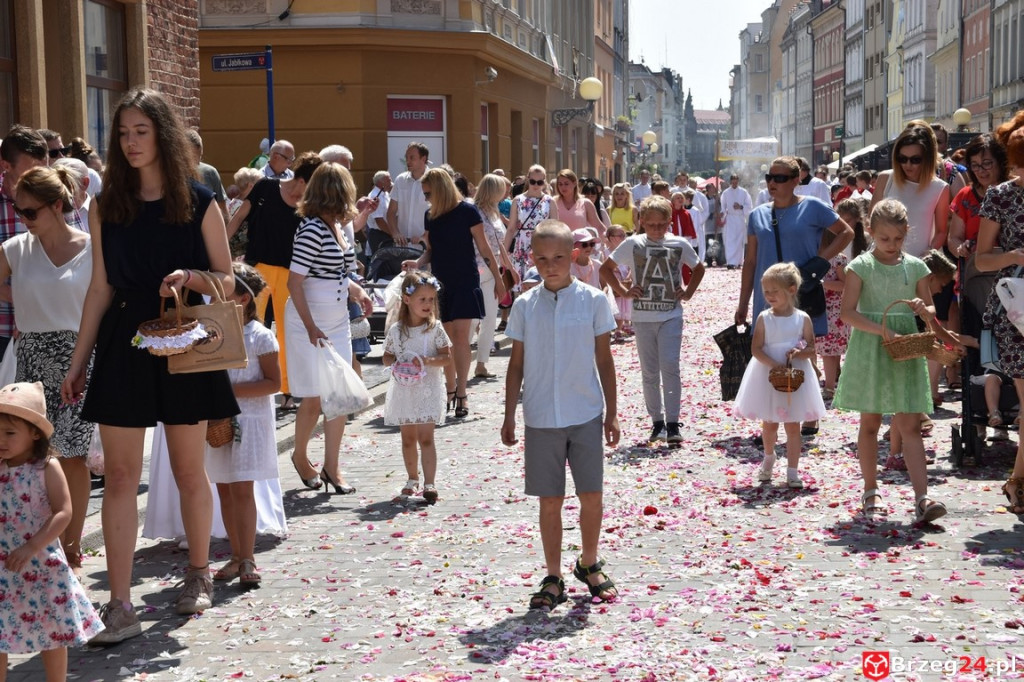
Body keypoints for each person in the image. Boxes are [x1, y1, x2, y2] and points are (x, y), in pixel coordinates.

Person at [61, 88, 240, 639]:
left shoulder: (201, 199)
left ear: (161, 133)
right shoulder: (105, 204)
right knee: (117, 475)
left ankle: (198, 573)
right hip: (124, 341)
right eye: (122, 133)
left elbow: (230, 281)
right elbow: (98, 287)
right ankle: (119, 604)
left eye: (140, 131)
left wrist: (190, 277)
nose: (131, 142)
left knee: (189, 470)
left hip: (186, 340)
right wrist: (79, 358)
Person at [501, 220, 619, 610]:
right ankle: (553, 575)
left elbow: (604, 359)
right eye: (541, 258)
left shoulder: (593, 300)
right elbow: (515, 364)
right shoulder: (524, 305)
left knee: (591, 495)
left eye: (557, 257)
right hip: (540, 416)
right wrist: (508, 415)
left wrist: (612, 413)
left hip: (584, 410)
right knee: (549, 500)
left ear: (573, 256)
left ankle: (588, 562)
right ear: (531, 259)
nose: (549, 265)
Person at [832, 199, 957, 521]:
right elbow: (847, 313)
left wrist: (921, 309)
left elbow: (931, 312)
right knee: (871, 423)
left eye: (898, 239)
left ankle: (922, 498)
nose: (891, 245)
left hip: (906, 348)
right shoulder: (861, 265)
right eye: (884, 239)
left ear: (906, 234)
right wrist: (881, 329)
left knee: (910, 423)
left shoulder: (916, 266)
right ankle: (871, 491)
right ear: (871, 232)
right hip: (872, 346)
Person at [1, 166, 92, 575]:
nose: (24, 219)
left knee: (72, 457)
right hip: (32, 359)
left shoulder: (92, 248)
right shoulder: (15, 249)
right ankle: (32, 540)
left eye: (31, 211)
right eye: (18, 211)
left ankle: (70, 549)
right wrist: (19, 294)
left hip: (77, 359)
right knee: (27, 455)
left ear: (58, 205)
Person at [0, 381, 103, 681]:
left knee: (52, 630)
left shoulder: (46, 466)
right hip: (5, 563)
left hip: (41, 563)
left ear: (34, 432)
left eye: (9, 433)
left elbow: (64, 511)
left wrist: (32, 547)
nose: (1, 440)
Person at [284, 162, 372, 493]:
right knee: (312, 396)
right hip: (310, 319)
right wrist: (309, 326)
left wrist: (357, 290)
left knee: (340, 393)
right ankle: (301, 456)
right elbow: (295, 282)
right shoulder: (311, 229)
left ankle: (332, 468)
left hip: (335, 318)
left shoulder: (335, 226)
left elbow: (338, 273)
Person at [601, 195, 704, 444]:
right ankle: (656, 422)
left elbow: (698, 267)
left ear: (670, 222)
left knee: (670, 366)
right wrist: (624, 291)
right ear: (642, 221)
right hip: (643, 316)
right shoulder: (632, 244)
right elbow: (605, 269)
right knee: (649, 370)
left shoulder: (679, 243)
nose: (657, 230)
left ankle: (673, 422)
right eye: (652, 225)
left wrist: (688, 292)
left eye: (662, 225)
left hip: (671, 314)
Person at [227, 152, 325, 410]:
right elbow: (237, 219)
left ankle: (287, 389)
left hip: (290, 274)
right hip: (257, 270)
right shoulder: (266, 187)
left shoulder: (311, 204)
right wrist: (220, 249)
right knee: (248, 326)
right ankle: (243, 380)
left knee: (286, 332)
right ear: (303, 180)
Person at [403, 169, 503, 419]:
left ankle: (461, 392)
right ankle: (449, 389)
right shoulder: (430, 216)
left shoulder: (468, 211)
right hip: (440, 282)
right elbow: (431, 252)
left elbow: (484, 248)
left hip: (466, 279)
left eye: (428, 193)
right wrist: (417, 262)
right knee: (444, 341)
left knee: (460, 338)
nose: (426, 198)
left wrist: (500, 280)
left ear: (440, 189)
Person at [208, 263, 284, 588]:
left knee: (242, 488)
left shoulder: (260, 337)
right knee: (224, 488)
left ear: (242, 298)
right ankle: (236, 555)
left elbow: (273, 383)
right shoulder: (214, 332)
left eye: (223, 293)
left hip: (250, 421)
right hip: (219, 420)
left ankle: (248, 556)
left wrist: (230, 392)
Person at [734, 264, 826, 488]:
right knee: (770, 422)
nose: (769, 296)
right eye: (766, 291)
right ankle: (768, 456)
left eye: (775, 290)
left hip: (795, 374)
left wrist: (798, 352)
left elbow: (811, 347)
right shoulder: (764, 318)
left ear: (791, 290)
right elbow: (756, 349)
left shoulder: (802, 318)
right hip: (769, 373)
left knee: (793, 424)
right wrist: (774, 365)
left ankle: (792, 470)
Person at [973, 110, 1024, 513]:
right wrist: (1014, 254)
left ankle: (1017, 482)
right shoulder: (1001, 196)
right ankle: (1018, 484)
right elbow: (983, 260)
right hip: (1016, 312)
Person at [382, 271, 452, 503]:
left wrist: (428, 360)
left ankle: (429, 483)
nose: (428, 304)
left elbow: (446, 357)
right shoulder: (396, 330)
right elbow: (386, 356)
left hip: (427, 389)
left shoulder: (435, 329)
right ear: (407, 299)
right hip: (405, 390)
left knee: (426, 438)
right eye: (422, 299)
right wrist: (396, 363)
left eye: (431, 299)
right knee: (408, 438)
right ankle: (412, 478)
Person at [869, 122, 950, 259]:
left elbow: (942, 231)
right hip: (882, 261)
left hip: (918, 264)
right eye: (902, 159)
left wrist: (929, 252)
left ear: (927, 159)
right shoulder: (886, 178)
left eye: (915, 159)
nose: (908, 164)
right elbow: (870, 221)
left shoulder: (940, 188)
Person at [0, 125, 48, 357]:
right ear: (6, 166)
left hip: (47, 328)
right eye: (31, 171)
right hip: (3, 329)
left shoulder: (55, 194)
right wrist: (22, 299)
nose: (41, 179)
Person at [818, 199, 869, 400]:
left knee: (836, 346)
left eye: (850, 219)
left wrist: (823, 284)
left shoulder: (853, 246)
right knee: (827, 347)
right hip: (826, 307)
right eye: (843, 219)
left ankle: (838, 380)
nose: (846, 223)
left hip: (843, 304)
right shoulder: (825, 252)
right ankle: (833, 378)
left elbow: (845, 283)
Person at [471, 174, 517, 378]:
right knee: (472, 319)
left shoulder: (494, 211)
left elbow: (498, 243)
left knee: (490, 318)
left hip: (494, 270)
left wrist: (509, 265)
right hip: (478, 270)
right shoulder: (474, 212)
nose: (506, 192)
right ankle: (460, 360)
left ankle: (481, 363)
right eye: (502, 188)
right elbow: (483, 245)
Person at [386, 141, 431, 249]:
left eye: (412, 158)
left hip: (426, 248)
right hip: (402, 247)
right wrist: (395, 233)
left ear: (423, 159)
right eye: (406, 157)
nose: (408, 161)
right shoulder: (400, 180)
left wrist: (425, 236)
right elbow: (391, 213)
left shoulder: (434, 180)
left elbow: (441, 214)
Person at [604, 225, 633, 342]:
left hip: (624, 281)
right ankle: (614, 328)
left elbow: (631, 266)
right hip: (613, 281)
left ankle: (619, 328)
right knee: (615, 305)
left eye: (624, 235)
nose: (623, 237)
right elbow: (604, 267)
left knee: (623, 305)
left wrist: (628, 276)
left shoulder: (626, 252)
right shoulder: (605, 252)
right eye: (620, 235)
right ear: (611, 238)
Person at [554, 169, 604, 236]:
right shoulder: (553, 202)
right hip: (559, 244)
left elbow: (599, 227)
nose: (563, 187)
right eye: (560, 184)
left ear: (574, 183)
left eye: (566, 184)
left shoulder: (586, 203)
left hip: (580, 244)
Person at [719, 174, 752, 268]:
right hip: (730, 219)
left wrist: (741, 207)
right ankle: (730, 262)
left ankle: (738, 262)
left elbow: (749, 206)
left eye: (736, 181)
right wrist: (722, 214)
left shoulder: (744, 192)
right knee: (729, 241)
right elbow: (723, 207)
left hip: (740, 218)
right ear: (730, 181)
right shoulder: (725, 193)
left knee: (739, 241)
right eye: (732, 181)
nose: (734, 183)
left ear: (738, 181)